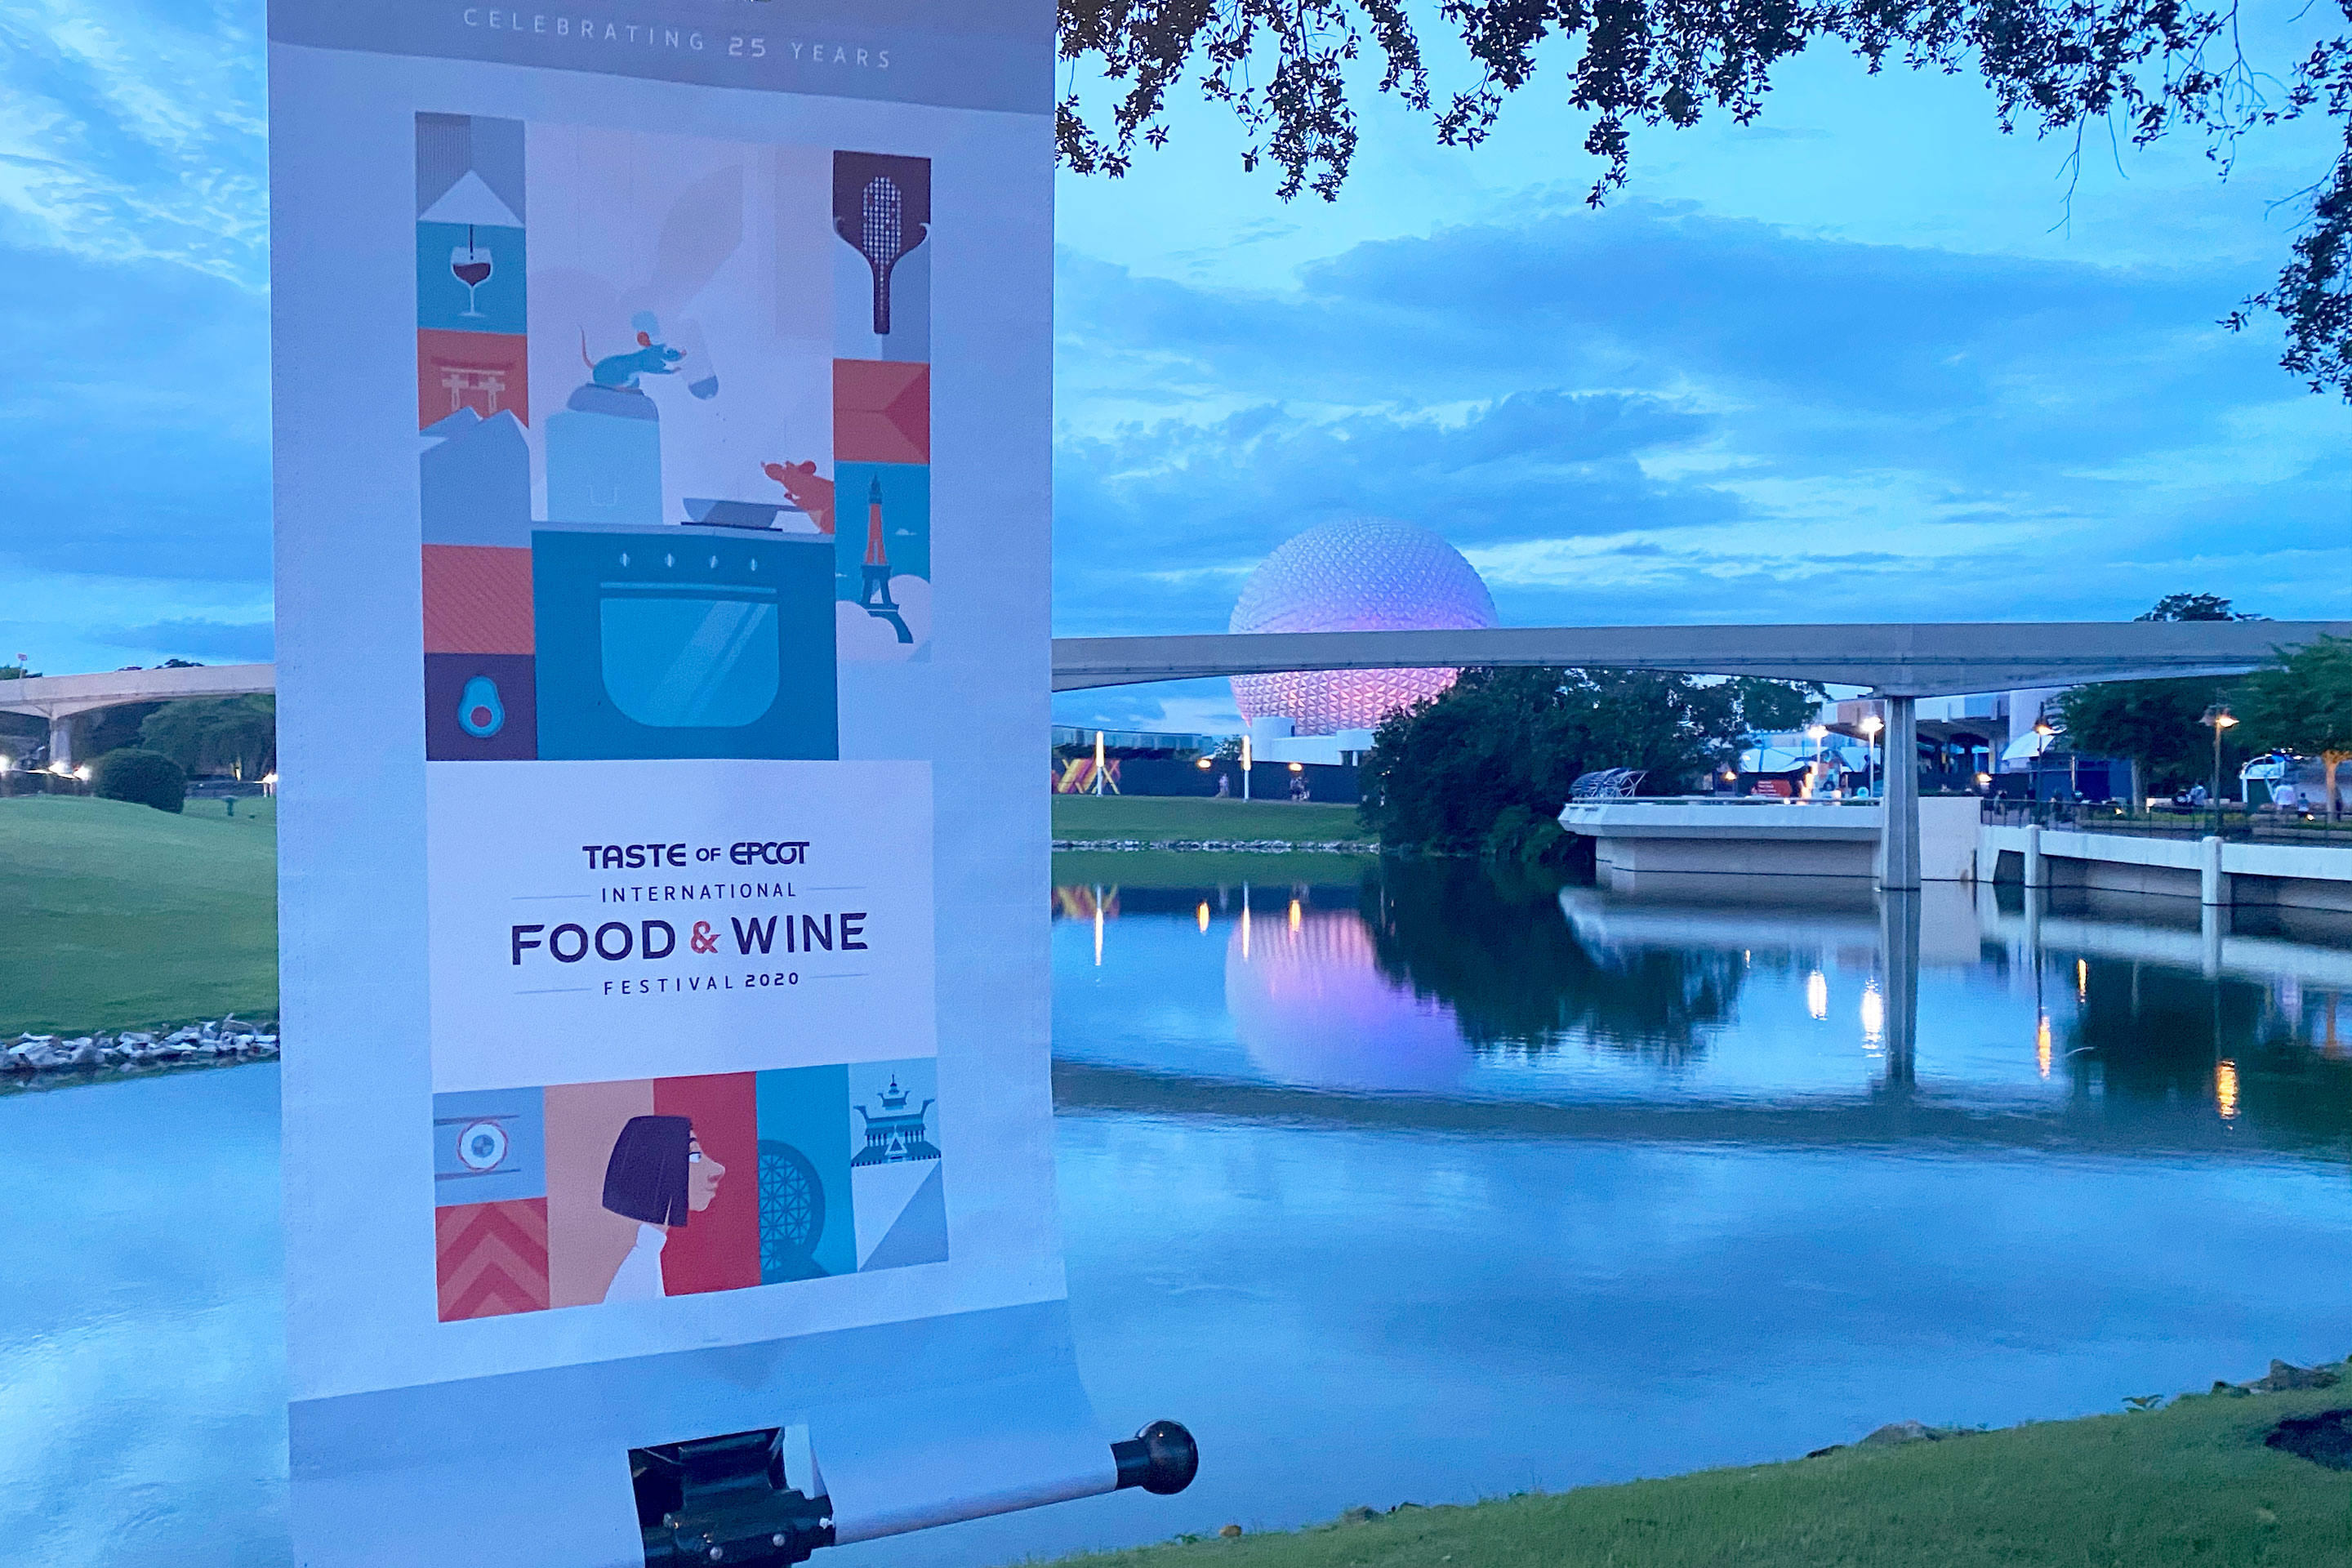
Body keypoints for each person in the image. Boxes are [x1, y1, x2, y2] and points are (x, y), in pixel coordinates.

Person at [599, 1114, 726, 1303]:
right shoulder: (640, 1271)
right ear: (656, 1168)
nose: (718, 1170)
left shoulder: (646, 1257)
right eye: (694, 1155)